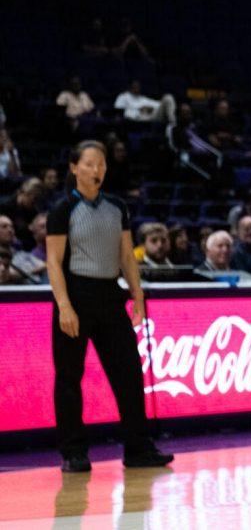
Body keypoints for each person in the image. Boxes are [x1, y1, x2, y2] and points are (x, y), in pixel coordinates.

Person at [44, 140, 173, 472]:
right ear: (74, 168)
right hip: (75, 294)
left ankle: (138, 448)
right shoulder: (62, 209)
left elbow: (126, 256)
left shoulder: (117, 207)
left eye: (101, 163)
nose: (97, 169)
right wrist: (64, 306)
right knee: (69, 376)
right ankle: (73, 451)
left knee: (129, 372)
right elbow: (54, 262)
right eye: (89, 163)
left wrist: (137, 295)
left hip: (109, 294)